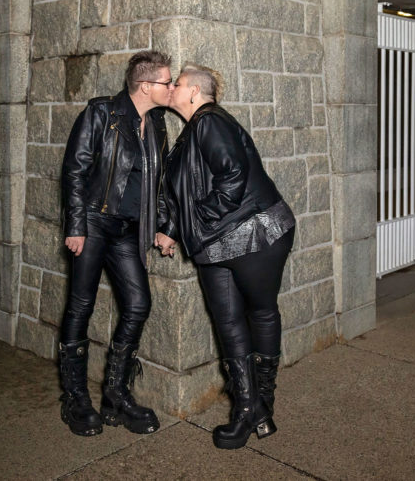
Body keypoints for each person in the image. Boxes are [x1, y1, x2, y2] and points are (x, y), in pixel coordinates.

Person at [155, 62, 295, 450]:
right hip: (217, 244)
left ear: (195, 92)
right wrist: (171, 227)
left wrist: (191, 223)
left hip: (255, 234)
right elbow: (183, 189)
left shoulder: (209, 121)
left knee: (261, 312)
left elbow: (233, 177)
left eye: (177, 84)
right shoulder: (191, 131)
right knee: (228, 323)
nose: (172, 88)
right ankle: (249, 410)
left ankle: (262, 403)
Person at [57, 50, 173, 437]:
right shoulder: (101, 114)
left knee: (139, 304)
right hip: (92, 223)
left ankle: (115, 394)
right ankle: (74, 397)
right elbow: (75, 169)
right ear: (145, 85)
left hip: (128, 230)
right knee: (81, 305)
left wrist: (160, 225)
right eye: (166, 82)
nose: (170, 88)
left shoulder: (157, 123)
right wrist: (75, 225)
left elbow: (160, 183)